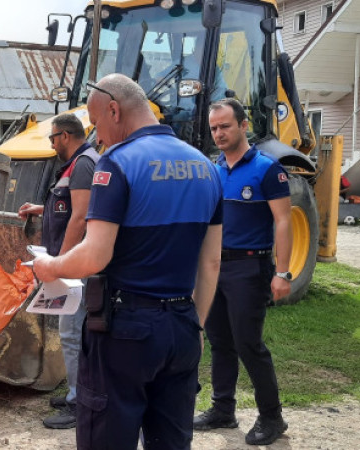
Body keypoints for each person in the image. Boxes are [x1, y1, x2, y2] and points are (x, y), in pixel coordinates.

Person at [33, 73, 223, 450]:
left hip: (126, 332)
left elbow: (94, 254)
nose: (95, 136)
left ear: (115, 110)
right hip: (182, 325)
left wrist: (50, 267)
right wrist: (195, 326)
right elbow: (212, 262)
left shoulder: (116, 165)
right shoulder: (206, 166)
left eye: (97, 123)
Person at [193, 98, 292, 446]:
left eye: (225, 126)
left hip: (250, 267)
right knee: (220, 342)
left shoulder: (267, 169)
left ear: (243, 125)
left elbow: (283, 221)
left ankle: (272, 417)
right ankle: (223, 409)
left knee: (249, 343)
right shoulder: (212, 169)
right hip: (215, 267)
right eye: (214, 128)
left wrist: (283, 272)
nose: (219, 133)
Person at [18, 113, 99, 430]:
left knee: (72, 333)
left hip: (75, 266)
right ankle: (78, 393)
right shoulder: (77, 164)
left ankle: (81, 403)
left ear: (65, 136)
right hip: (73, 263)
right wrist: (42, 209)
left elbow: (80, 217)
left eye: (52, 138)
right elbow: (68, 205)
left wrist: (61, 266)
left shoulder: (82, 165)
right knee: (74, 333)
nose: (51, 144)